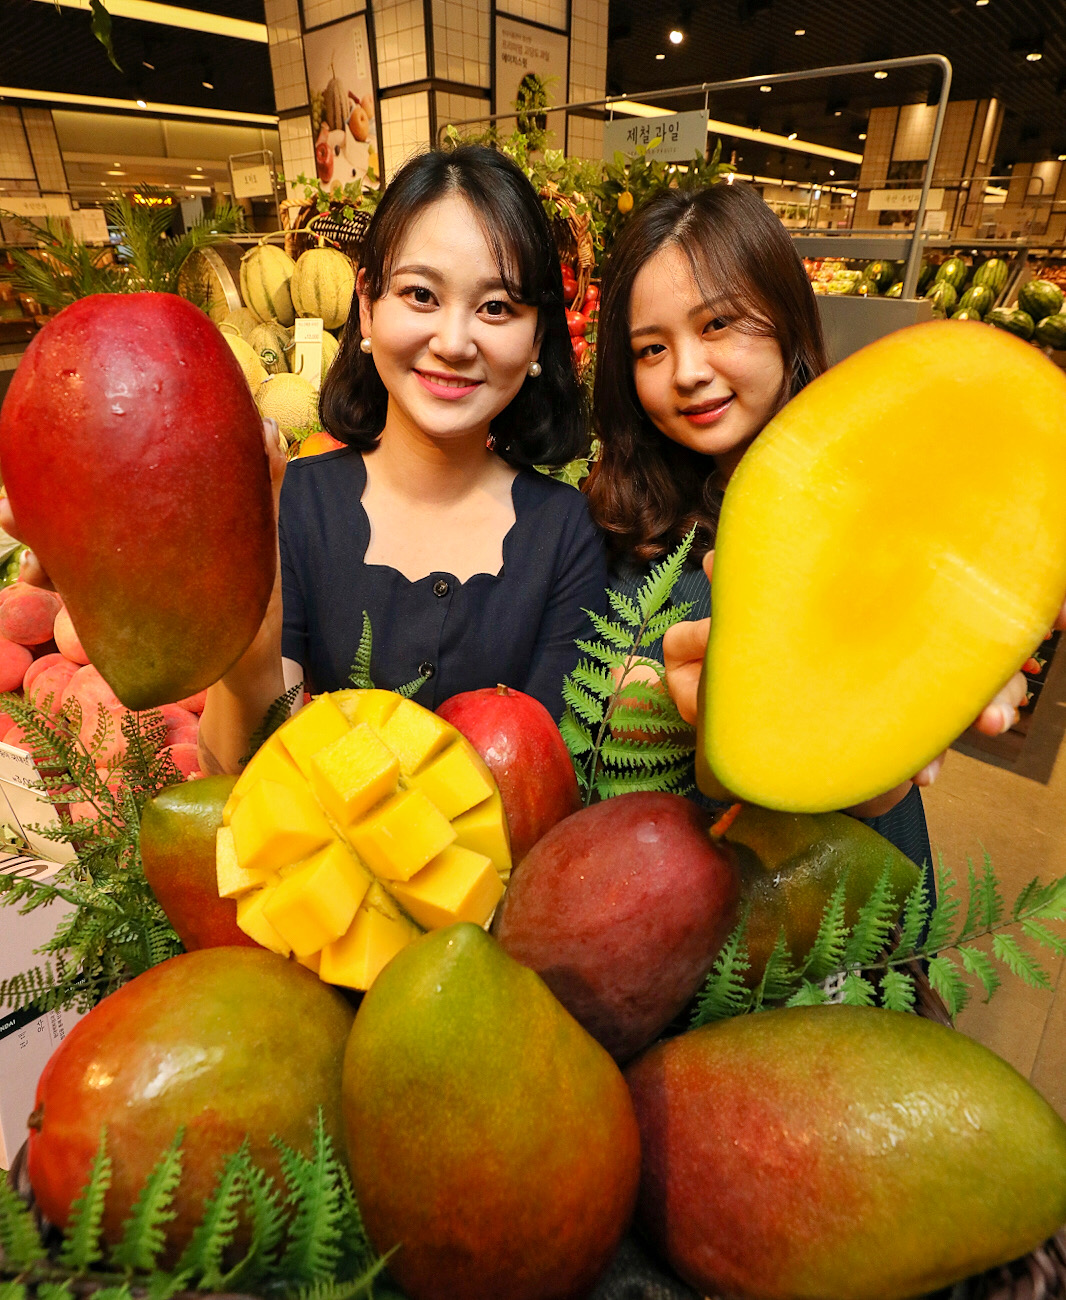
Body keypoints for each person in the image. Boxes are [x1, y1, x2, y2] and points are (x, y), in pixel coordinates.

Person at [584, 180, 1031, 868]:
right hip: (678, 899)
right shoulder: (620, 521)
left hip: (841, 897)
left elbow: (875, 783)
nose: (687, 372)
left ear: (785, 313)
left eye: (717, 324)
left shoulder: (881, 500)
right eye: (651, 349)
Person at [195, 144, 607, 774]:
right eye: (420, 294)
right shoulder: (293, 504)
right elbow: (234, 775)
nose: (452, 341)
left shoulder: (566, 535)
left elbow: (544, 781)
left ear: (537, 339)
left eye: (496, 307)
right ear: (367, 303)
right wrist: (246, 650)